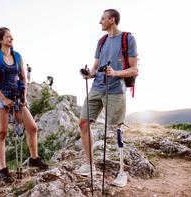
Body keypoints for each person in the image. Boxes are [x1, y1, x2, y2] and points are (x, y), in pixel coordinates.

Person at [74, 9, 138, 175]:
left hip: (116, 89)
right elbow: (95, 68)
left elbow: (133, 69)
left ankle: (122, 172)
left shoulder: (128, 39)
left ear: (112, 19)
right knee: (83, 123)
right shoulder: (101, 41)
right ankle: (89, 165)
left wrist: (115, 73)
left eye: (102, 19)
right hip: (97, 87)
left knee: (116, 130)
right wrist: (89, 74)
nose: (100, 22)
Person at [0, 27, 48, 182]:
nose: (11, 39)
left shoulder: (18, 56)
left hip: (17, 97)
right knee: (1, 133)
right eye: (8, 37)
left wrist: (24, 96)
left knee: (32, 127)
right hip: (0, 97)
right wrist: (3, 98)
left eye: (11, 37)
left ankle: (34, 158)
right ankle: (3, 169)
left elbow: (23, 78)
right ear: (0, 40)